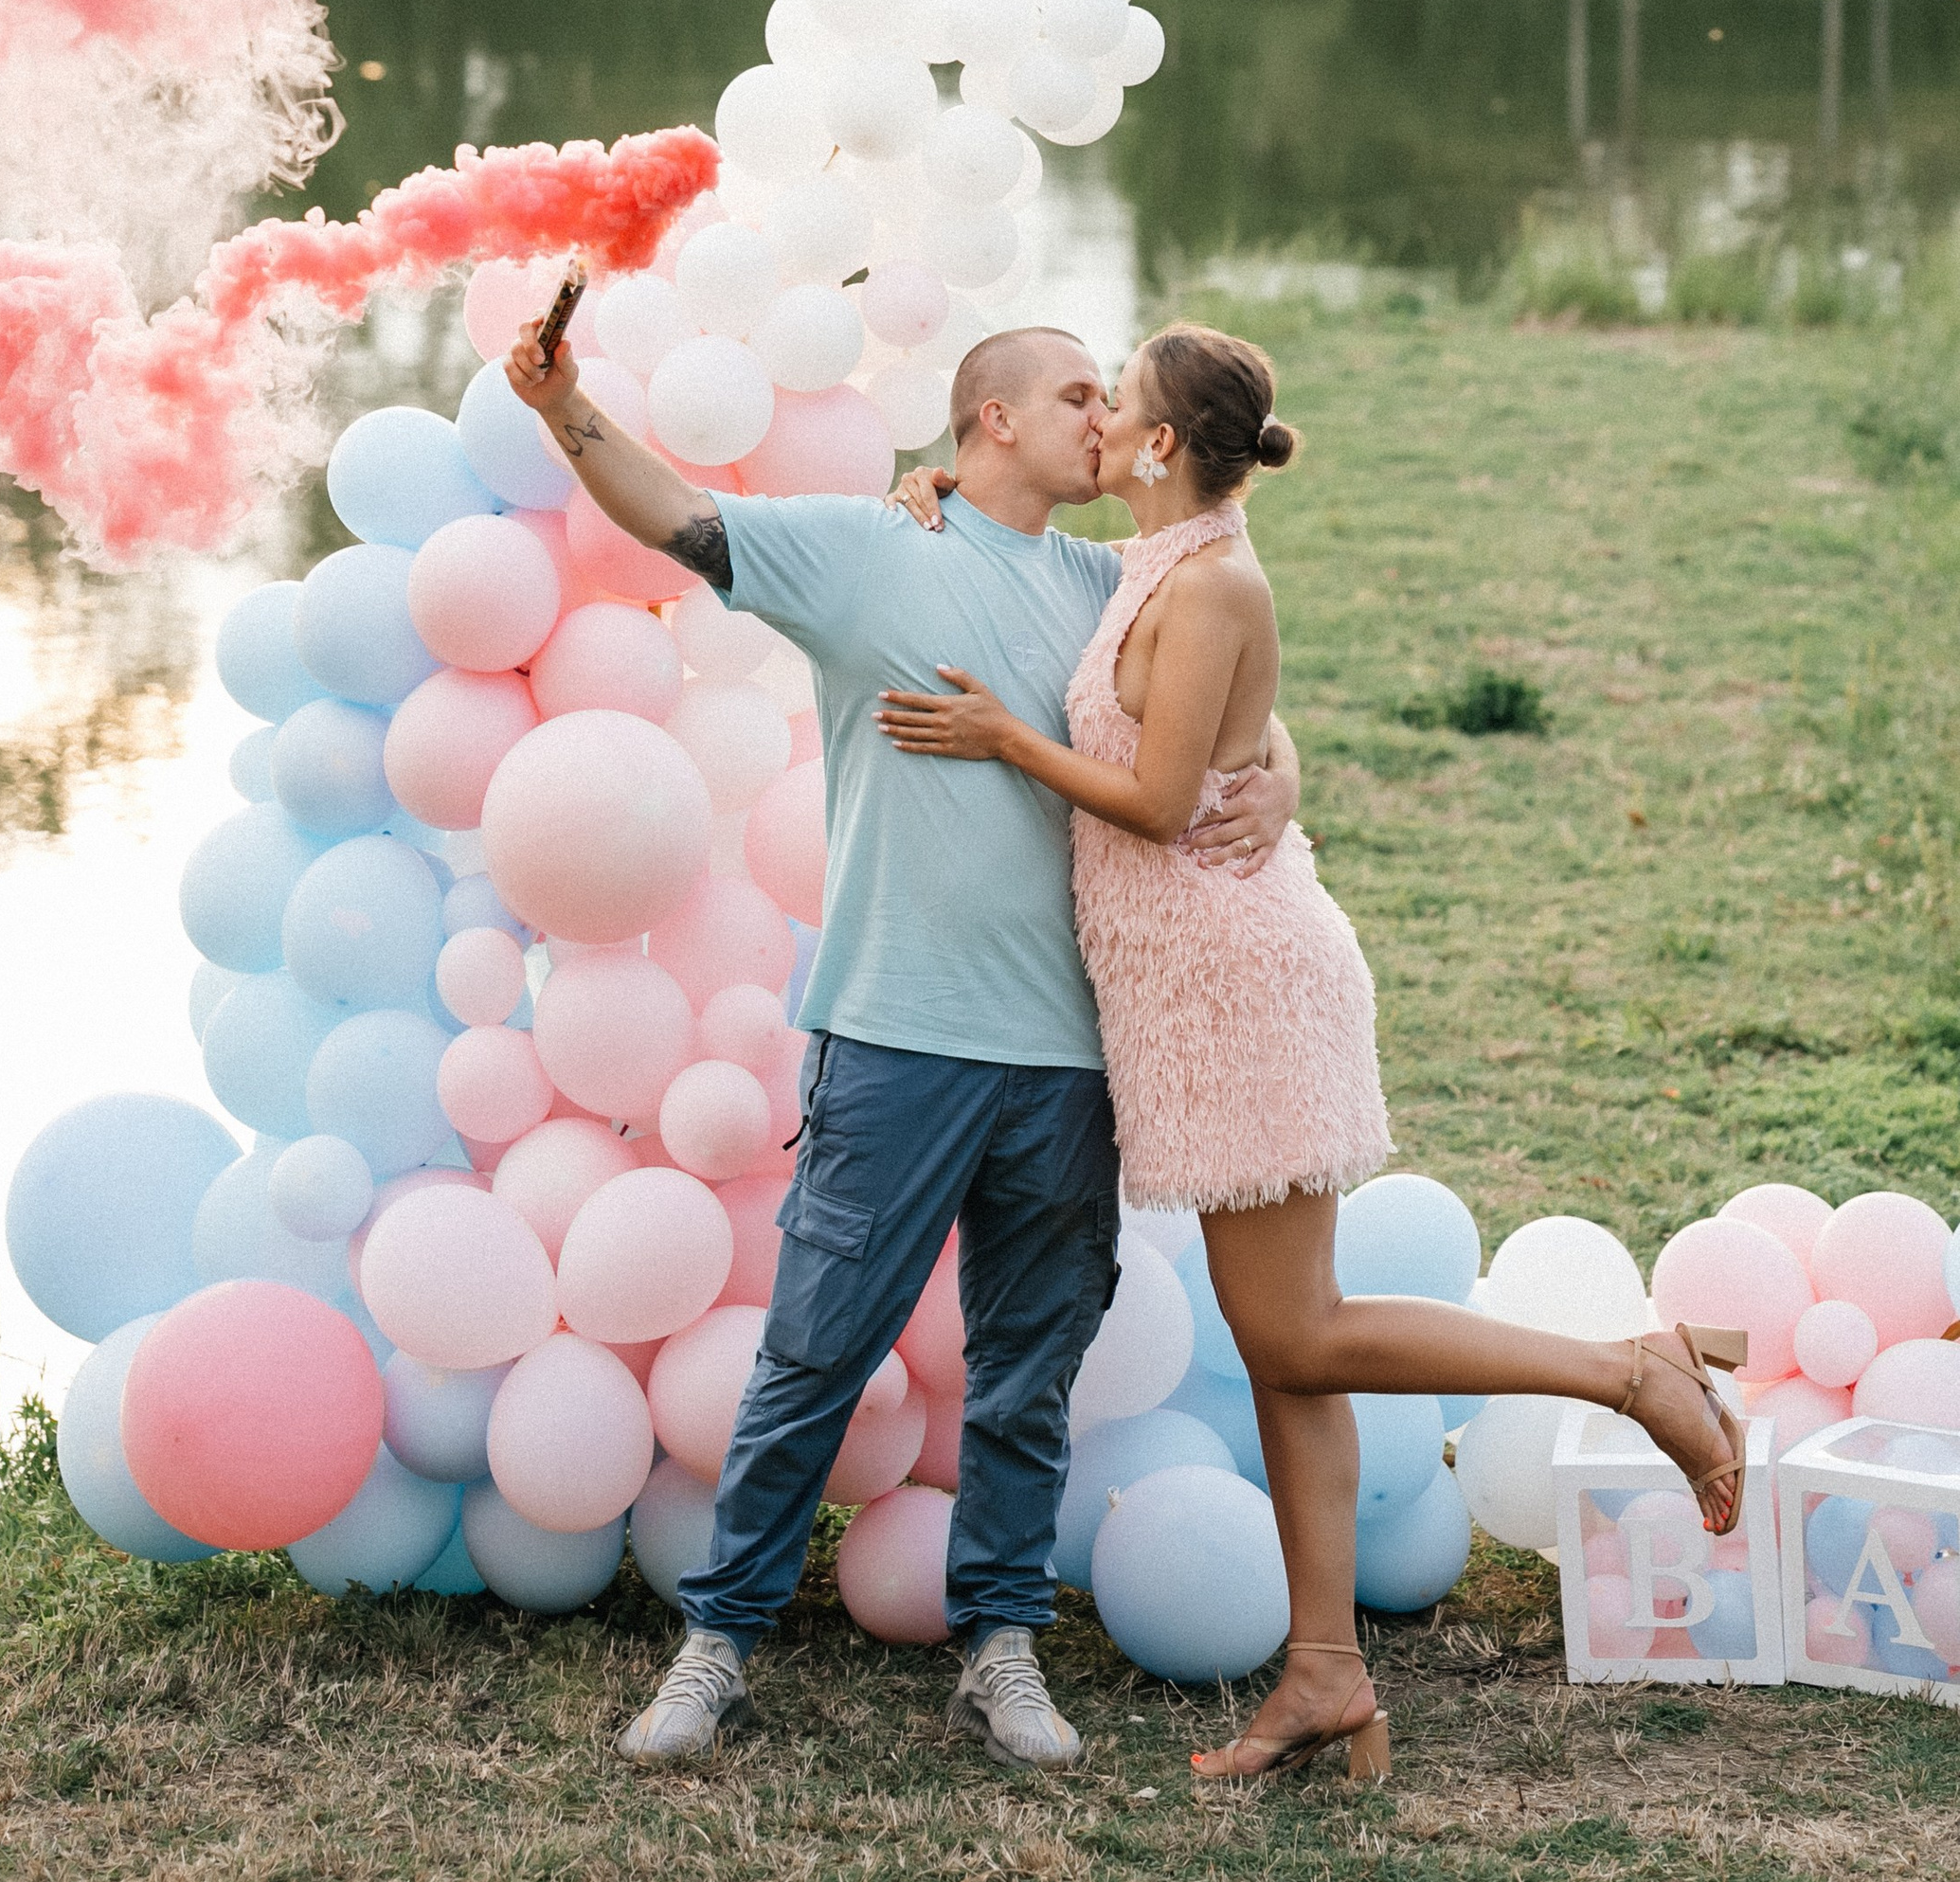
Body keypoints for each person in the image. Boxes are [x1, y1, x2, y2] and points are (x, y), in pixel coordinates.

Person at [877, 319, 1748, 1789]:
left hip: (1241, 987)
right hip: (1189, 990)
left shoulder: (1213, 578)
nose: (1094, 420)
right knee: (1291, 1348)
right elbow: (1241, 733)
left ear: (1161, 443)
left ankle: (1631, 1373)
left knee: (1294, 1334)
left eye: (1115, 402)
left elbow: (1161, 802)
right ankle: (1328, 1672)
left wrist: (1002, 740)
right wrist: (938, 484)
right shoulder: (1153, 559)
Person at [502, 310, 1303, 1769]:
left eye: (1112, 398)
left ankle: (1001, 1648)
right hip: (894, 1040)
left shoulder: (1116, 584)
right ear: (993, 419)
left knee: (1027, 1370)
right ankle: (718, 1645)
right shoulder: (871, 550)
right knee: (817, 1355)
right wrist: (564, 409)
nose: (1105, 421)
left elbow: (1230, 689)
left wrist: (1284, 776)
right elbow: (679, 518)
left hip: (1070, 1057)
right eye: (1078, 395)